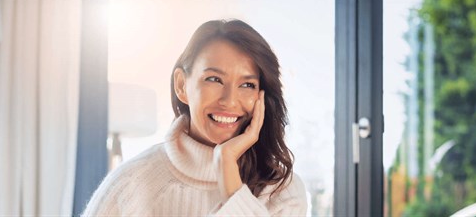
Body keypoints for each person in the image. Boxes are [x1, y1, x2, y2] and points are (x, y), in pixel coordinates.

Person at [82, 19, 307, 216]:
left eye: (247, 85)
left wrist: (228, 171)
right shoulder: (130, 185)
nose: (229, 101)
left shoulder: (283, 192)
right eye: (214, 79)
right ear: (181, 85)